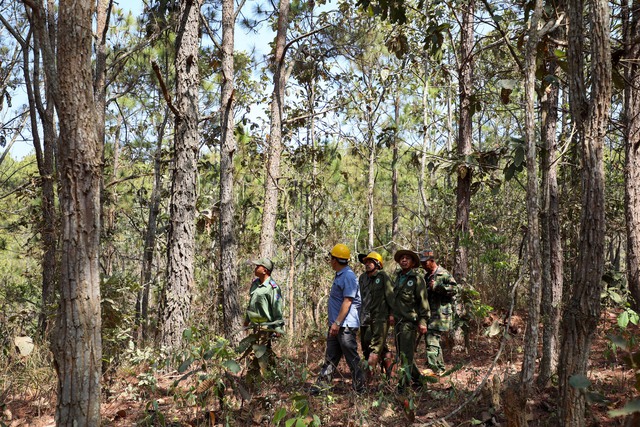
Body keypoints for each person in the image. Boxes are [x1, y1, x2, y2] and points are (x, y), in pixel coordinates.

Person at [315, 244, 366, 394]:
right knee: (331, 357)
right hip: (336, 325)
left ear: (335, 260)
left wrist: (337, 323)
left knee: (352, 358)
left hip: (345, 326)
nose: (330, 261)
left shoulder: (348, 276)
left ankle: (360, 389)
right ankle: (321, 387)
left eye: (331, 258)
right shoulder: (341, 275)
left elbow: (348, 301)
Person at [392, 249, 429, 391]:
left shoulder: (417, 279)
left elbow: (423, 301)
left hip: (409, 322)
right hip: (398, 322)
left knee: (406, 356)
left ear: (413, 262)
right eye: (402, 258)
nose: (404, 260)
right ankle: (419, 381)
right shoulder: (397, 277)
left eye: (407, 258)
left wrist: (423, 321)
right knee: (403, 354)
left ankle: (403, 386)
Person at [244, 258, 284, 375]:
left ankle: (259, 377)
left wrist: (278, 328)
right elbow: (251, 304)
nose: (255, 268)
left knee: (257, 353)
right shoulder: (255, 284)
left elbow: (277, 309)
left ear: (264, 270)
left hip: (265, 326)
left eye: (258, 266)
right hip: (255, 324)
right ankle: (272, 373)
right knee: (262, 351)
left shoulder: (273, 288)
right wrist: (247, 320)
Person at [357, 251, 395, 378]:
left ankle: (367, 380)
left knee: (375, 347)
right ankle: (390, 374)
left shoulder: (383, 276)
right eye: (366, 262)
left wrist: (391, 314)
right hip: (365, 317)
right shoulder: (362, 278)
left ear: (378, 263)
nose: (367, 264)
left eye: (370, 262)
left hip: (380, 317)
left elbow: (390, 296)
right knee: (370, 347)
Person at [420, 249, 457, 374]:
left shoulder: (444, 274)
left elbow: (454, 289)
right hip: (430, 314)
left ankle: (433, 369)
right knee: (433, 342)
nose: (423, 266)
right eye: (422, 264)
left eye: (425, 263)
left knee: (431, 341)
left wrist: (437, 287)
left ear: (432, 261)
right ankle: (440, 368)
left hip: (440, 315)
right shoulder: (426, 276)